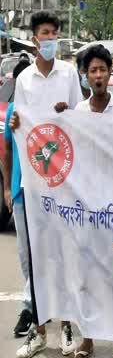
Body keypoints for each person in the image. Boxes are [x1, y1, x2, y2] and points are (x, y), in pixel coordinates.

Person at [55, 44, 113, 358]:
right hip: (85, 208)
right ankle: (88, 339)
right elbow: (66, 147)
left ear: (110, 72)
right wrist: (60, 117)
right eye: (93, 70)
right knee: (88, 274)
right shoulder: (77, 113)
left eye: (103, 69)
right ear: (86, 76)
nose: (99, 75)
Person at [9, 11, 83, 358]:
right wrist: (14, 122)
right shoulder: (23, 80)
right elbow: (20, 128)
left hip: (63, 182)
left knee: (64, 255)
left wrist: (67, 111)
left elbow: (82, 122)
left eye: (54, 33)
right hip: (33, 184)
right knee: (36, 258)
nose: (50, 38)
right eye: (44, 33)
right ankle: (39, 331)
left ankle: (67, 326)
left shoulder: (68, 74)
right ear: (35, 38)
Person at [3, 58, 32, 341]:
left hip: (45, 197)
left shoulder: (45, 111)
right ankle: (32, 307)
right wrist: (8, 189)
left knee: (45, 255)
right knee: (25, 256)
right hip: (21, 195)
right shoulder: (13, 112)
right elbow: (8, 151)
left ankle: (30, 308)